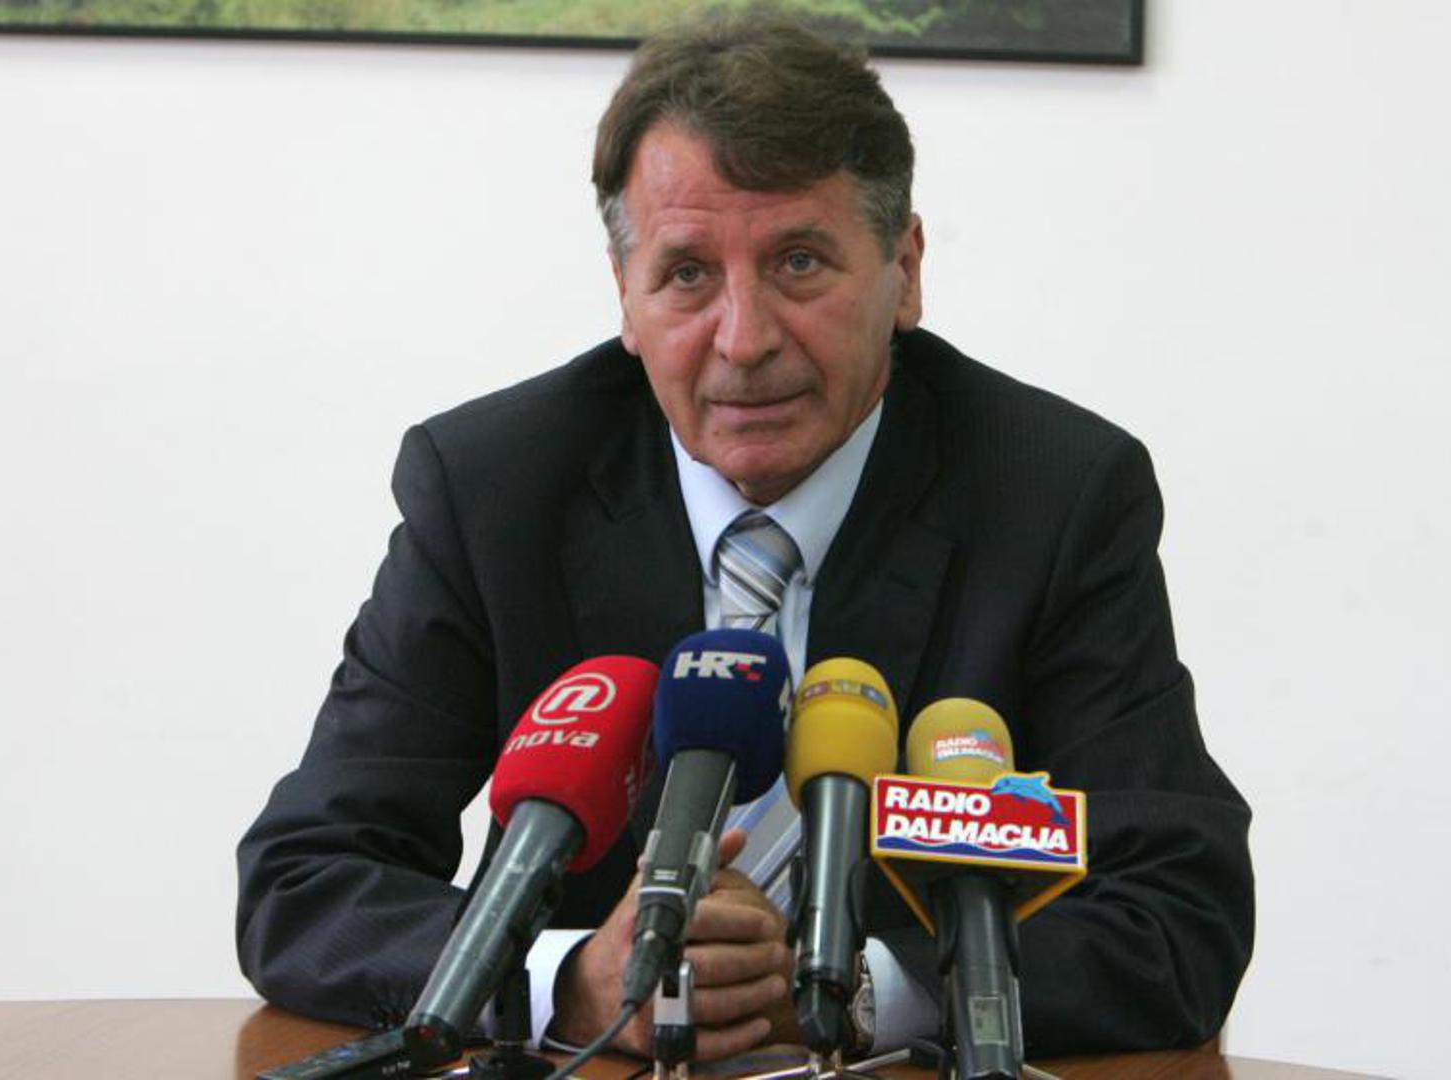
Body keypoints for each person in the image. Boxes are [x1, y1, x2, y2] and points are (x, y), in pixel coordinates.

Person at [236, 18, 1254, 1063]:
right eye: (685, 274)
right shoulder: (495, 488)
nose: (743, 338)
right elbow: (305, 881)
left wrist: (848, 991)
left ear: (903, 271)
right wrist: (567, 982)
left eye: (798, 262)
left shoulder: (1051, 494)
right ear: (624, 293)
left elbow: (1178, 915)